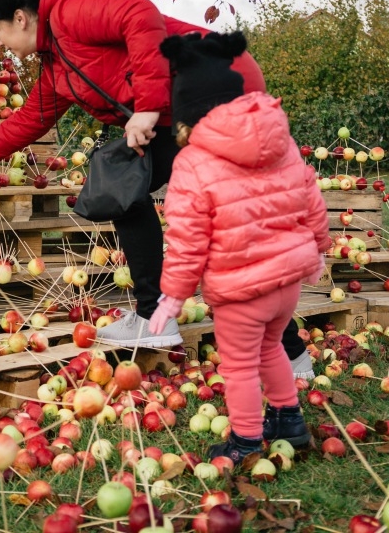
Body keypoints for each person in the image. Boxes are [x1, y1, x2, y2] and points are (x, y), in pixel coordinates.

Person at [0, 0, 266, 348]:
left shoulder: (71, 9)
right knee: (119, 183)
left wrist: (147, 107)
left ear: (20, 17)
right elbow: (34, 117)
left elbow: (140, 14)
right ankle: (157, 319)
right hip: (181, 106)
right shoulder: (55, 62)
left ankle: (283, 350)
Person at [147, 30, 331, 463]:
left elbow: (187, 239)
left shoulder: (192, 161)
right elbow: (311, 197)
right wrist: (320, 247)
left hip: (240, 290)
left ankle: (246, 439)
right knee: (271, 347)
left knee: (240, 366)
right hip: (286, 284)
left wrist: (173, 296)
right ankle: (290, 420)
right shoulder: (281, 141)